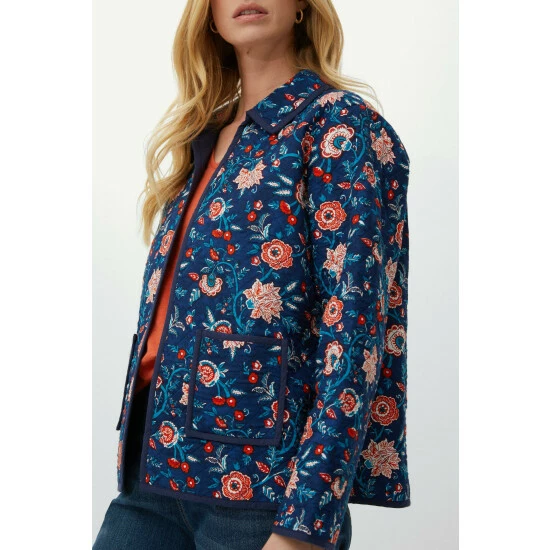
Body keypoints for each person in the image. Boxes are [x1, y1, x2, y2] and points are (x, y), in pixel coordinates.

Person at [93, 1, 411, 549]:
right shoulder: (206, 134)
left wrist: (305, 522)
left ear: (302, 7)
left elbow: (356, 328)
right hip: (153, 472)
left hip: (265, 494)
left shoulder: (340, 125)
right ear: (209, 15)